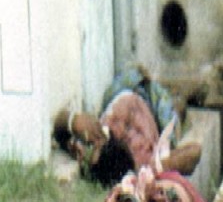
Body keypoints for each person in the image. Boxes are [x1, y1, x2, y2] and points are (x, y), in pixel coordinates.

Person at [53, 65, 202, 185]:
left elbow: (59, 122)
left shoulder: (100, 133)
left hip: (123, 90)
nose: (129, 132)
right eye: (130, 133)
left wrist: (73, 121)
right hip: (155, 110)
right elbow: (194, 152)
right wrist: (159, 166)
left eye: (125, 124)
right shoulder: (145, 161)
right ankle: (180, 100)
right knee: (174, 108)